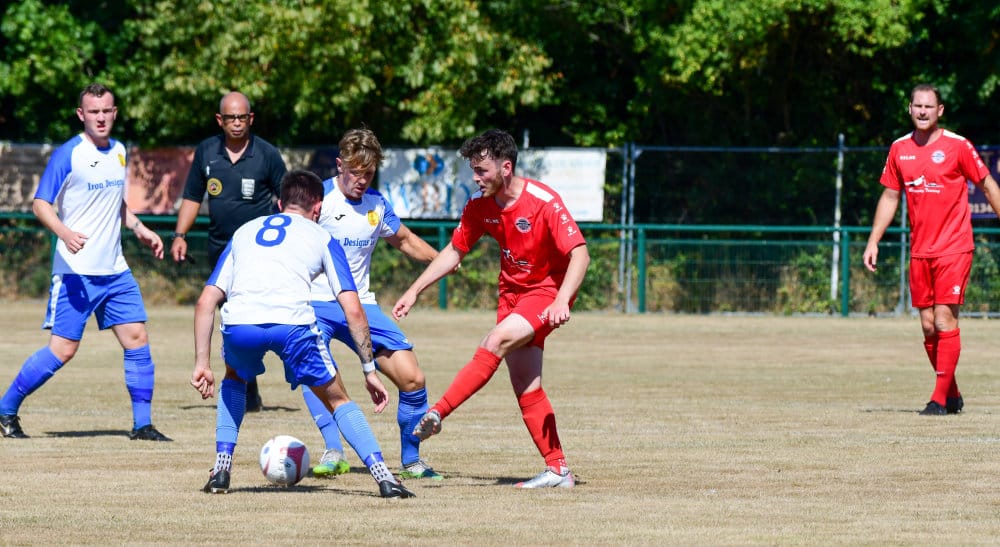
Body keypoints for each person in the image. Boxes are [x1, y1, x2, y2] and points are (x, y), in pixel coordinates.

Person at [190, 169, 414, 498]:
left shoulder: (244, 232)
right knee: (338, 398)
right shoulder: (322, 237)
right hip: (293, 325)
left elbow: (206, 301)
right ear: (318, 208)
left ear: (280, 204)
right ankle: (385, 478)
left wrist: (202, 363)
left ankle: (221, 469)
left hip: (240, 324)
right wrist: (369, 369)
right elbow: (353, 309)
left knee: (234, 379)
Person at [392, 129, 590, 488]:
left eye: (482, 170)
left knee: (494, 341)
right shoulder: (479, 204)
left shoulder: (543, 201)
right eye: (473, 170)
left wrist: (562, 299)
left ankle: (438, 412)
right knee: (526, 385)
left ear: (506, 168)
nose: (476, 178)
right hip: (511, 296)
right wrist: (415, 290)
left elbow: (580, 254)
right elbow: (455, 251)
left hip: (546, 292)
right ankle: (558, 469)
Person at [0, 83, 170, 441]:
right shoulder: (69, 153)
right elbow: (40, 203)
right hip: (76, 273)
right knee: (63, 350)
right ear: (81, 114)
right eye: (94, 111)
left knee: (137, 338)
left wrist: (140, 228)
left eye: (106, 110)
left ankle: (142, 425)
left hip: (115, 270)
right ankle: (5, 410)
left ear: (115, 113)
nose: (101, 117)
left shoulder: (120, 151)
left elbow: (115, 203)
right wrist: (64, 233)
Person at [304, 128, 442, 480]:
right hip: (316, 303)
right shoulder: (318, 199)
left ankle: (411, 461)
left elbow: (405, 240)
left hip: (361, 305)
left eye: (368, 173)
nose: (362, 180)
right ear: (339, 166)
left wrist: (442, 260)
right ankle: (334, 450)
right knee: (315, 368)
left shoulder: (377, 205)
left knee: (413, 378)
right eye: (355, 172)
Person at [863, 83, 1000, 416]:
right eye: (917, 106)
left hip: (954, 246)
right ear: (909, 109)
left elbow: (987, 185)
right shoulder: (899, 149)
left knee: (943, 319)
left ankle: (938, 401)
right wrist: (873, 240)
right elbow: (890, 196)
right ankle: (951, 394)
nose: (922, 111)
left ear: (940, 111)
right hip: (920, 251)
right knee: (927, 326)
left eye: (929, 106)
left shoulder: (958, 146)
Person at [171, 91, 287, 412]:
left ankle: (258, 383)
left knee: (255, 319)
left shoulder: (267, 154)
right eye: (231, 117)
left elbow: (287, 202)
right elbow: (193, 196)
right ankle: (245, 388)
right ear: (219, 120)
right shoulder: (207, 151)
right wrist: (180, 235)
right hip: (220, 250)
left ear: (251, 119)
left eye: (242, 117)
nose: (237, 123)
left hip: (260, 254)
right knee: (232, 320)